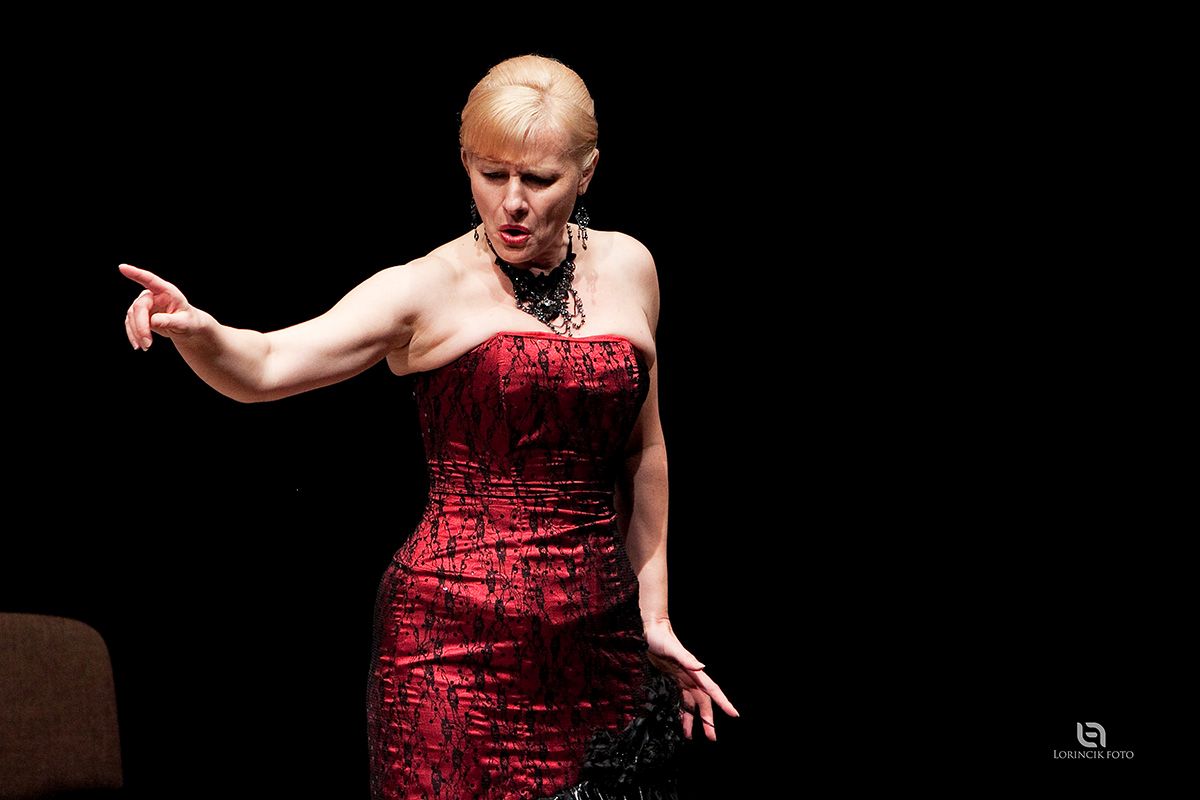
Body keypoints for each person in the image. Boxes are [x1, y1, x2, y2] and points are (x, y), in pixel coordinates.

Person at [120, 53, 738, 800]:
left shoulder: (632, 266)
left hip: (599, 646)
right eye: (491, 174)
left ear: (587, 173)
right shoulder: (427, 287)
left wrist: (654, 613)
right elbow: (268, 365)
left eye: (539, 179)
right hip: (451, 652)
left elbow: (644, 446)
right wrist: (200, 331)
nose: (512, 202)